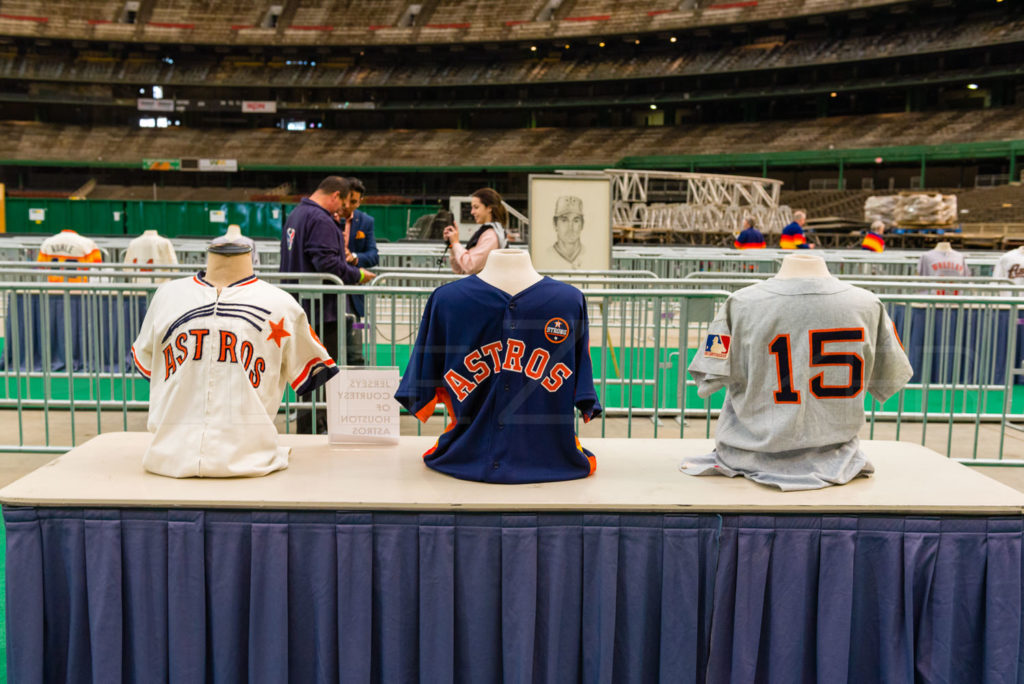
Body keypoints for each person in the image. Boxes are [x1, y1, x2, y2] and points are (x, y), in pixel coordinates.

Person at [279, 175, 375, 434]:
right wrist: (359, 275)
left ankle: (311, 426)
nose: (342, 210)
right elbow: (328, 265)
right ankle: (314, 428)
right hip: (321, 311)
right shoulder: (320, 219)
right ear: (335, 196)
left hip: (300, 307)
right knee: (320, 373)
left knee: (307, 372)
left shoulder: (296, 215)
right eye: (342, 204)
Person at [331, 177, 379, 366]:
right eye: (346, 200)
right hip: (329, 295)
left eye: (354, 202)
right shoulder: (326, 218)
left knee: (355, 351)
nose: (348, 206)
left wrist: (355, 258)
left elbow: (374, 255)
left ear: (360, 201)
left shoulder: (366, 222)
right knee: (328, 352)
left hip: (354, 295)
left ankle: (353, 393)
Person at [443, 187, 508, 274]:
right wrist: (451, 245)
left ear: (489, 208)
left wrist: (455, 243)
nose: (472, 212)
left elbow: (470, 266)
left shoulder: (491, 236)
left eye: (476, 207)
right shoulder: (487, 233)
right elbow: (460, 269)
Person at [551, 195, 586, 269]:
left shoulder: (591, 253)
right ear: (555, 223)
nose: (570, 227)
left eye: (576, 221)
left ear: (582, 224)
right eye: (564, 220)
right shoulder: (545, 254)